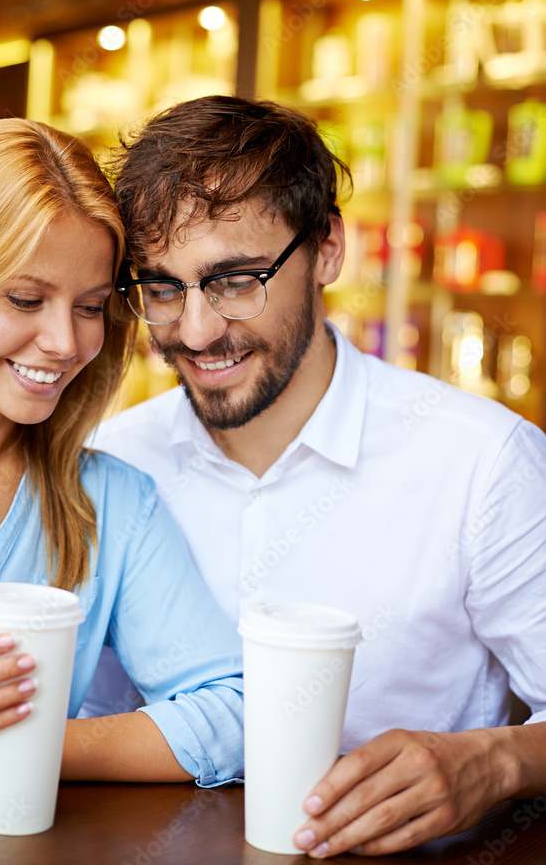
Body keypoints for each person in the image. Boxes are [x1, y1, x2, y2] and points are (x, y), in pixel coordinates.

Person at [86, 95, 546, 857]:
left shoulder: (481, 461)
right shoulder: (113, 460)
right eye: (161, 288)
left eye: (236, 279)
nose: (196, 332)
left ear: (327, 247)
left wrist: (494, 762)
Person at [0, 117, 243, 796]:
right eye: (25, 298)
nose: (64, 342)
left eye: (90, 307)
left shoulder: (111, 502)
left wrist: (22, 745)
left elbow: (231, 711)